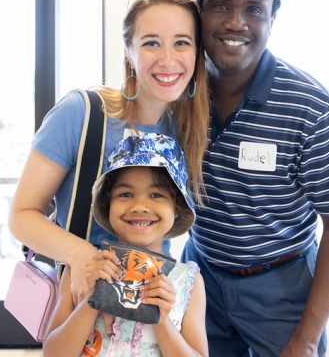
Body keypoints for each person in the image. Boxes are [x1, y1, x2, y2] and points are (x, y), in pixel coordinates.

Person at [181, 0, 329, 357]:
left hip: (281, 286)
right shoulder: (180, 92)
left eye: (254, 10)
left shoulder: (312, 109)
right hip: (201, 271)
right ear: (199, 13)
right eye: (221, 5)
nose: (235, 22)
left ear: (272, 20)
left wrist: (307, 338)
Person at [8, 0, 209, 307]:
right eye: (151, 43)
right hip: (80, 305)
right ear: (129, 52)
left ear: (197, 53)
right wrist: (82, 256)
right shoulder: (82, 112)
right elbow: (22, 215)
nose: (168, 59)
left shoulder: (185, 130)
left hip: (149, 307)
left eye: (181, 43)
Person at [42, 133, 208, 357]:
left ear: (177, 207)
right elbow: (53, 354)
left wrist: (161, 319)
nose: (140, 206)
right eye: (125, 194)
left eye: (157, 194)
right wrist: (92, 299)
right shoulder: (83, 270)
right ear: (108, 202)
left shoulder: (188, 282)